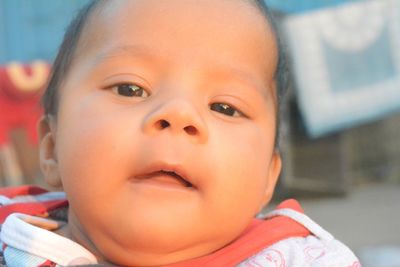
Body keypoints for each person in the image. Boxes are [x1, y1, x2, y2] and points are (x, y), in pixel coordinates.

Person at [0, 0, 361, 266]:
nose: (178, 114)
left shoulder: (300, 259)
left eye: (224, 107)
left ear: (267, 178)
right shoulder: (13, 236)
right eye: (130, 88)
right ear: (51, 148)